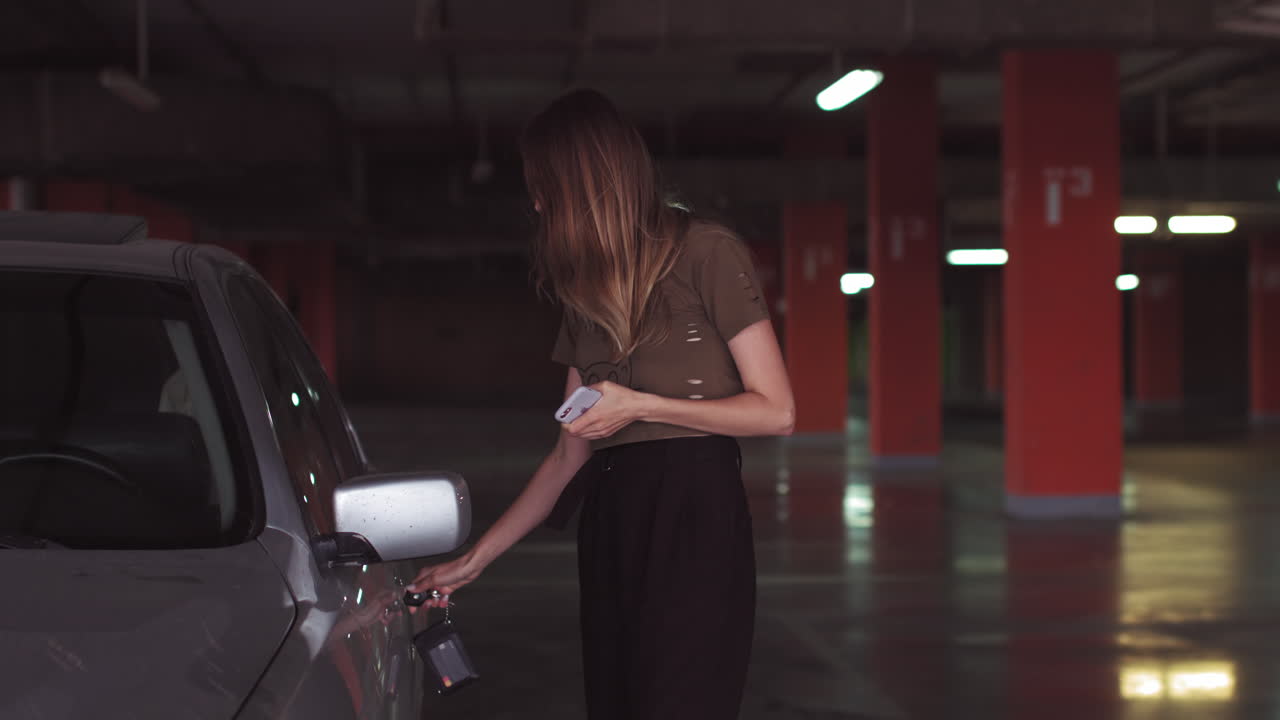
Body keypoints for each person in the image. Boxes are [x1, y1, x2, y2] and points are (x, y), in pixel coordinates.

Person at [407, 88, 795, 720]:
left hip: (694, 512)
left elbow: (776, 410)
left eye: (545, 187)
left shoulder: (707, 251)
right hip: (613, 516)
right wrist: (474, 560)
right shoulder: (582, 287)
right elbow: (569, 453)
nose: (536, 203)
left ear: (586, 182)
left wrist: (642, 404)